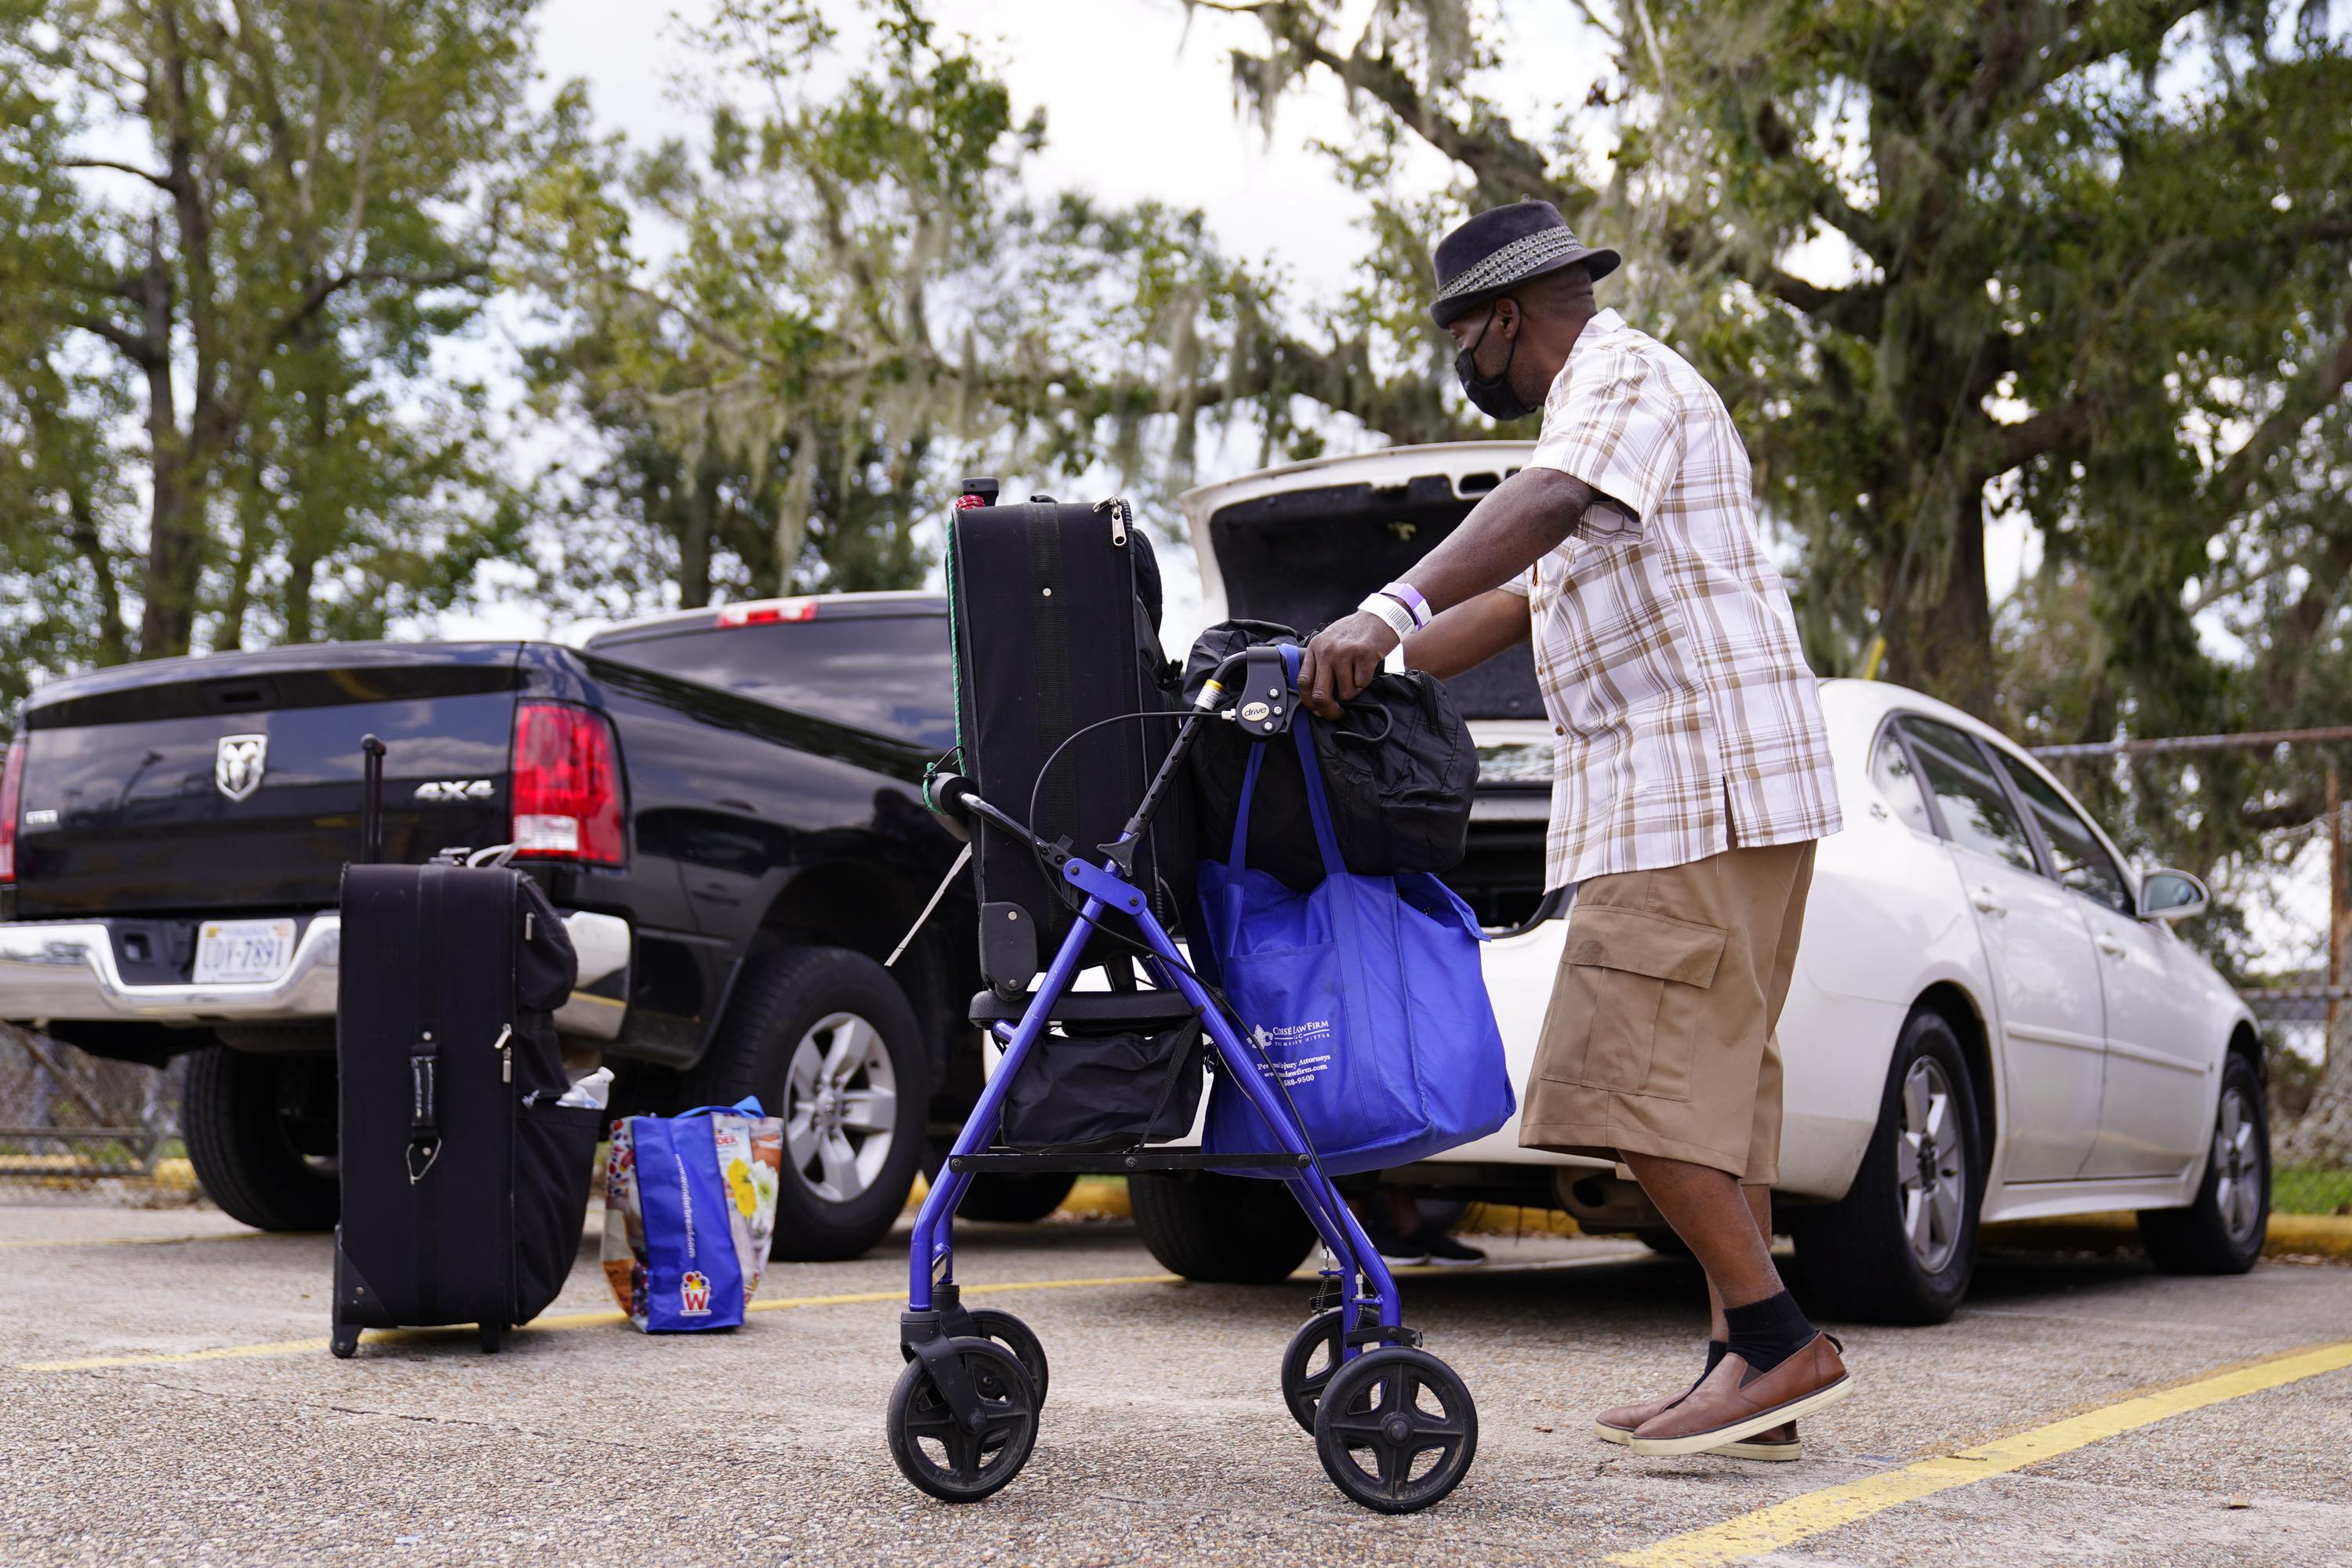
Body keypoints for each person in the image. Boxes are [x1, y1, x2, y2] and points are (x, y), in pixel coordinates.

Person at [1301, 200, 1850, 1462]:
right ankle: (1746, 1366)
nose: (1461, 360)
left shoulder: (1620, 380)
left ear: (1503, 318)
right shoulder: (1606, 418)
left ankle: (1780, 1344)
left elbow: (1540, 508)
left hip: (1688, 793)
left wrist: (1380, 609)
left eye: (1461, 335)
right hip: (1725, 793)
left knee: (1624, 1075)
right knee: (1708, 1093)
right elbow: (1507, 602)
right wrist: (1343, 669)